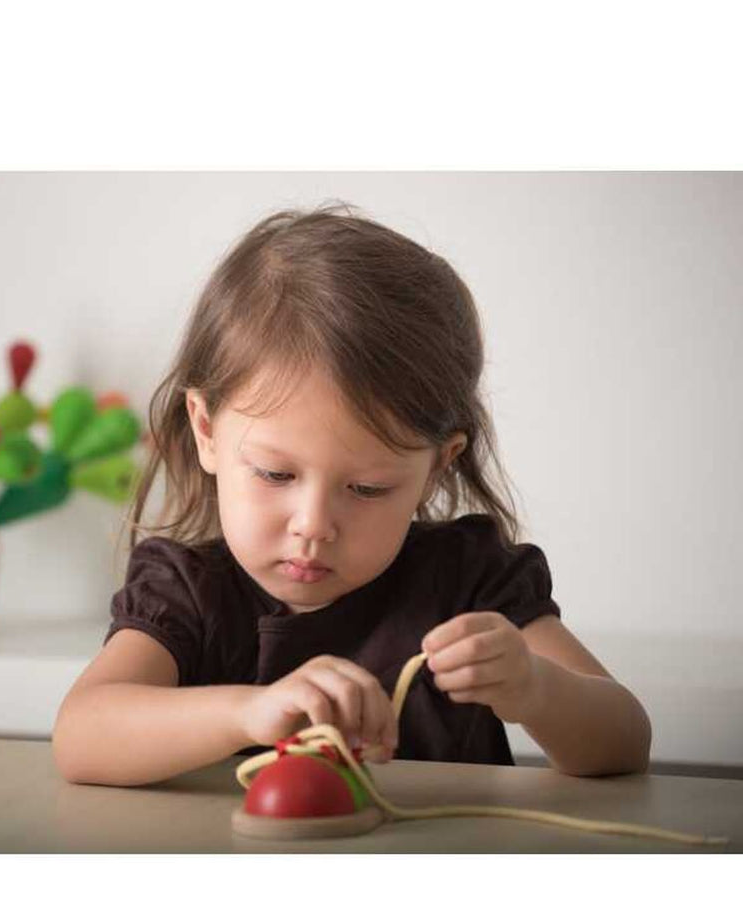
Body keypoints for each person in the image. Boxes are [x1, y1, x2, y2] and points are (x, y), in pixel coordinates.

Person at [52, 202, 651, 787]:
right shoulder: (185, 593)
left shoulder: (471, 585)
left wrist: (536, 689)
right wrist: (247, 711)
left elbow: (625, 742)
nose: (313, 525)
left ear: (438, 467)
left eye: (367, 488)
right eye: (275, 475)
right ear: (207, 431)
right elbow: (81, 736)